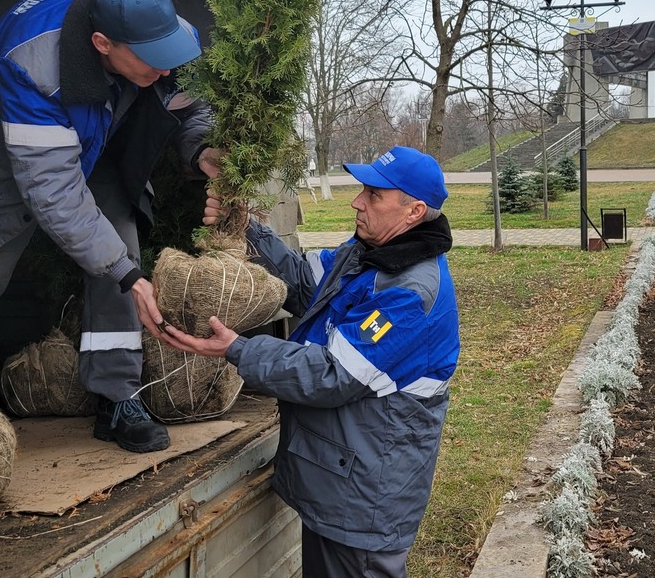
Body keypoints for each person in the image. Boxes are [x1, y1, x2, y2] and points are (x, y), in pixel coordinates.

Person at [0, 0, 219, 453]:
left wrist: (200, 150)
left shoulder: (161, 37)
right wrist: (126, 275)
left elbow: (188, 100)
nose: (164, 69)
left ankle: (118, 398)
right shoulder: (31, 60)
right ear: (101, 43)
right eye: (151, 62)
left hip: (90, 145)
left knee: (121, 251)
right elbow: (52, 189)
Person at [162, 146, 461, 577]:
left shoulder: (410, 293)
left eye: (374, 195)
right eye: (362, 189)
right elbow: (305, 283)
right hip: (341, 483)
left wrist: (238, 350)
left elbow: (329, 374)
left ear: (414, 212)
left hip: (364, 504)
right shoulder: (367, 255)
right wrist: (246, 227)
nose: (358, 201)